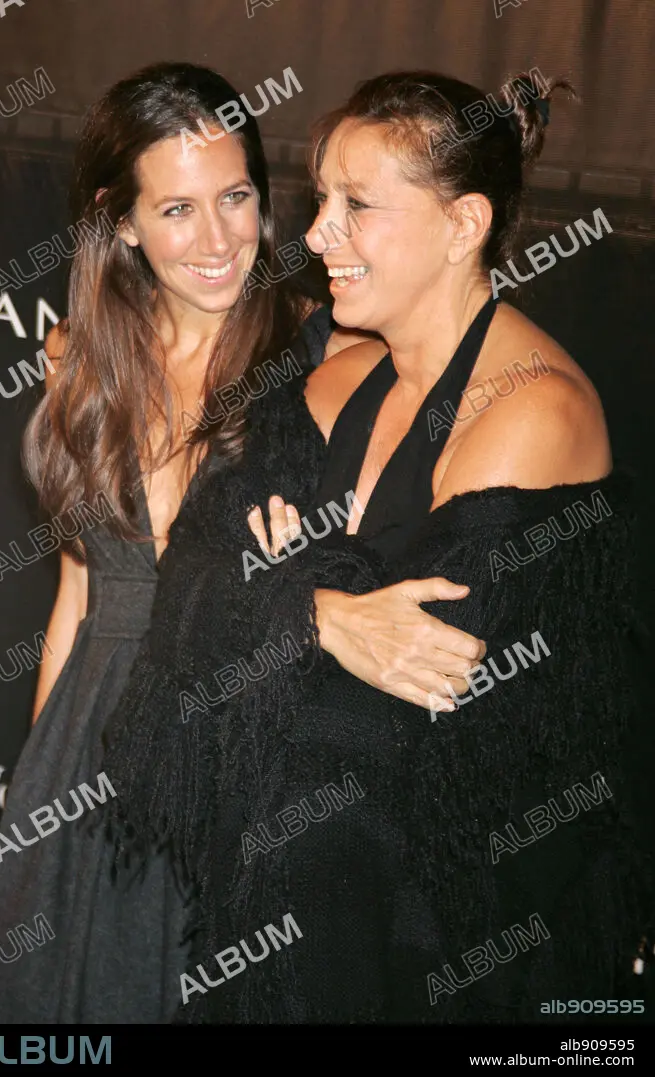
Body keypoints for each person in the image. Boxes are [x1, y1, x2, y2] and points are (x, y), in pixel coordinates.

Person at [102, 68, 650, 1024]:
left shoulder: (534, 413)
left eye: (356, 206)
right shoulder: (336, 372)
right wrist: (319, 610)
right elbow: (183, 582)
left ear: (462, 224)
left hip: (457, 955)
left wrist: (284, 583)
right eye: (322, 201)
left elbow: (400, 724)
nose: (316, 235)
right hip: (289, 923)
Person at [0, 62, 483, 1024]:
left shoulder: (326, 364)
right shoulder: (75, 357)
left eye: (236, 196)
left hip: (223, 758)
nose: (218, 240)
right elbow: (76, 601)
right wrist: (37, 801)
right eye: (177, 209)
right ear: (121, 221)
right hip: (77, 757)